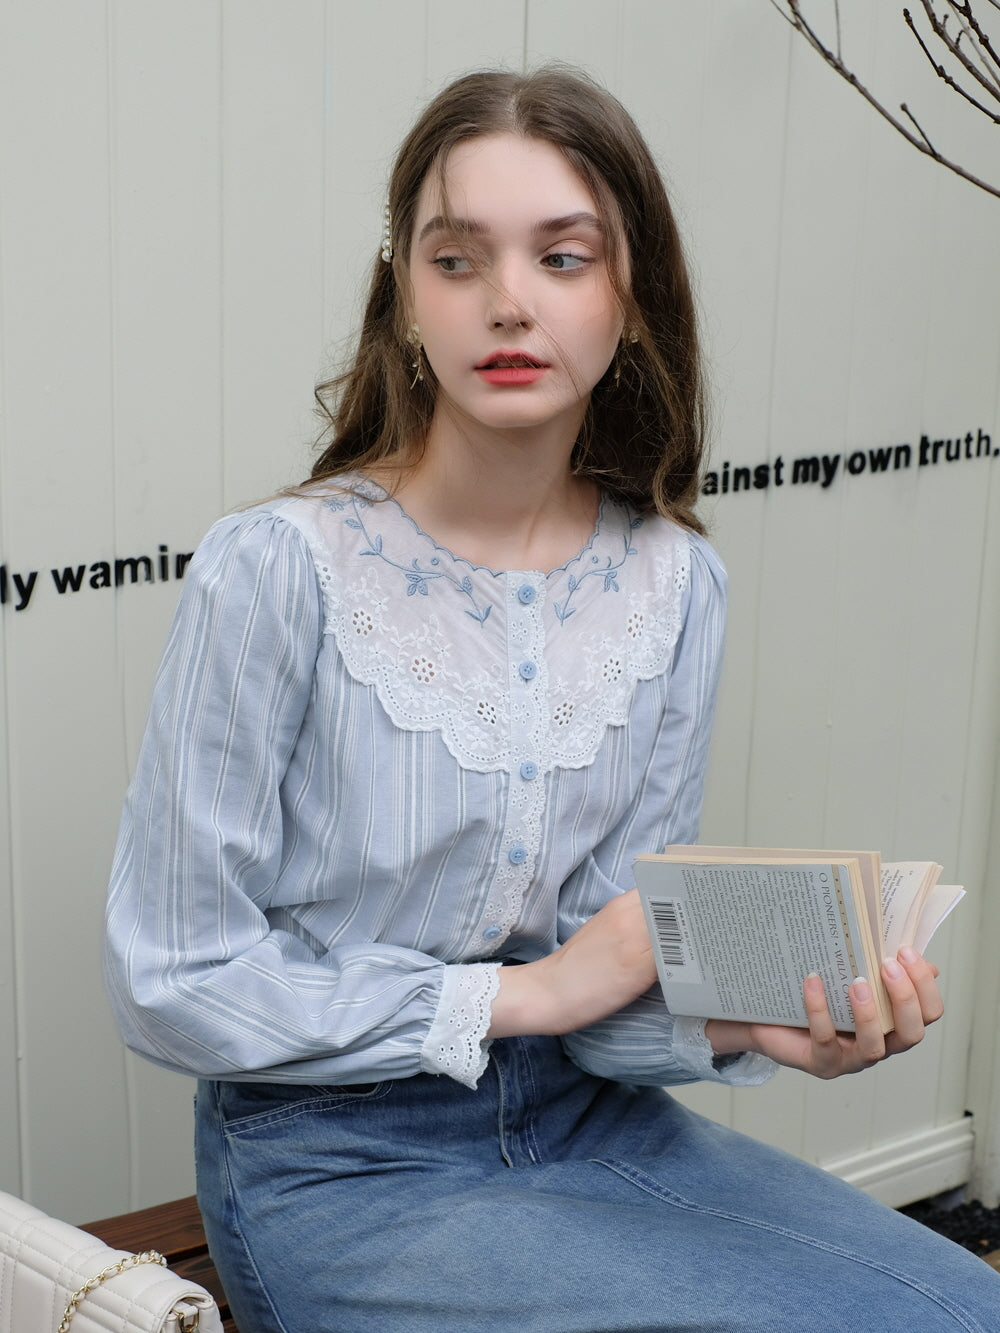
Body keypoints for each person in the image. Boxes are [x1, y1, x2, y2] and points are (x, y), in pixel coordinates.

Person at [105, 67, 999, 1332]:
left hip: (595, 1123)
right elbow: (169, 974)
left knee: (962, 1312)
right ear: (405, 297)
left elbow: (607, 984)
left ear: (632, 299)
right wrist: (528, 995)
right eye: (457, 259)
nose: (508, 302)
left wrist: (751, 1031)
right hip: (337, 1169)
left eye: (562, 257)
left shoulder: (674, 582)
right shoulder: (279, 569)